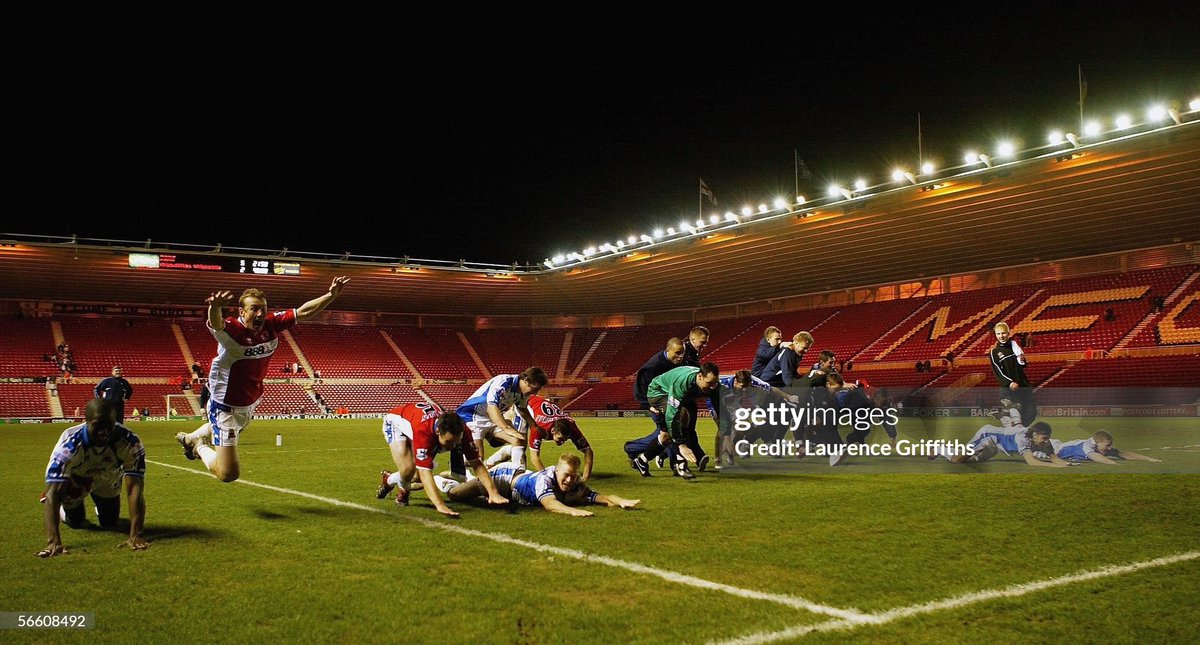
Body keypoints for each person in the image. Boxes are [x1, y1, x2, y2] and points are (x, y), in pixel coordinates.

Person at [175, 277, 350, 483]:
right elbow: (217, 323)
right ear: (242, 312)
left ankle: (190, 438)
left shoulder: (271, 325)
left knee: (237, 427)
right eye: (254, 309)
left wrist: (331, 295)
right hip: (226, 405)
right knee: (228, 473)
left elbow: (303, 311)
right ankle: (198, 447)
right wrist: (215, 307)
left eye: (263, 309)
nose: (260, 314)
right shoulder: (233, 330)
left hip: (250, 399)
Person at [37, 398, 148, 557]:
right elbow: (52, 493)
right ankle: (64, 508)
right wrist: (53, 542)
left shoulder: (130, 441)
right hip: (77, 480)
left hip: (107, 479)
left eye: (108, 425)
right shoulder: (69, 444)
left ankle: (100, 505)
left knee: (109, 522)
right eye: (97, 425)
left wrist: (136, 534)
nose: (104, 432)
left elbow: (135, 488)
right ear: (86, 421)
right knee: (77, 521)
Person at [375, 401, 507, 516]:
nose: (453, 446)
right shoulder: (424, 432)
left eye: (457, 442)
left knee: (415, 477)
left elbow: (477, 464)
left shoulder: (463, 430)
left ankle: (389, 479)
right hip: (396, 423)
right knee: (408, 470)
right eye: (449, 442)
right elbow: (425, 473)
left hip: (421, 422)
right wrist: (439, 504)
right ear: (438, 432)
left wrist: (493, 492)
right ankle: (402, 488)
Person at [442, 453, 638, 517]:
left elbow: (598, 496)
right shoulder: (545, 479)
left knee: (478, 497)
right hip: (503, 479)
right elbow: (550, 504)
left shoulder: (575, 483)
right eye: (566, 475)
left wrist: (620, 501)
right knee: (455, 496)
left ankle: (465, 476)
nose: (569, 481)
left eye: (573, 476)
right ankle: (442, 480)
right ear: (557, 471)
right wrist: (574, 511)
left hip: (519, 481)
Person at [630, 363, 721, 480]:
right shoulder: (683, 383)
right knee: (681, 417)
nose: (713, 386)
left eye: (715, 383)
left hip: (676, 394)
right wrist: (682, 445)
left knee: (666, 436)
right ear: (699, 377)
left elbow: (719, 406)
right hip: (658, 392)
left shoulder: (713, 385)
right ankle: (680, 463)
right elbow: (672, 415)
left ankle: (641, 461)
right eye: (709, 383)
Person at [454, 367, 547, 469]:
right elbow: (491, 407)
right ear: (525, 381)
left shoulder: (523, 392)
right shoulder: (504, 382)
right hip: (473, 417)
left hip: (493, 418)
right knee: (477, 459)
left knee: (518, 440)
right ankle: (458, 463)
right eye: (534, 389)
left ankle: (519, 476)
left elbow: (522, 408)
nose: (535, 393)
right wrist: (507, 428)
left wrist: (535, 426)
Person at [495, 394, 593, 480]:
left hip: (539, 403)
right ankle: (517, 476)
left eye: (565, 439)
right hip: (525, 405)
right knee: (520, 444)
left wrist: (585, 477)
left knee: (518, 447)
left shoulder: (572, 427)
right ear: (553, 431)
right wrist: (547, 479)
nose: (562, 442)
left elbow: (588, 451)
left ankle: (502, 457)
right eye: (560, 439)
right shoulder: (539, 427)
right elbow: (534, 458)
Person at [624, 338, 686, 470]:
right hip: (655, 404)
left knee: (666, 433)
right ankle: (675, 462)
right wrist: (648, 405)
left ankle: (633, 448)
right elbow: (639, 386)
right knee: (669, 431)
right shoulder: (654, 366)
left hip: (667, 402)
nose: (680, 356)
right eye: (677, 353)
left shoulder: (676, 362)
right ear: (668, 350)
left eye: (682, 353)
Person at [941, 412, 1068, 467]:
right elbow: (1032, 462)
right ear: (1035, 435)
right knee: (956, 460)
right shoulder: (1022, 438)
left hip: (996, 446)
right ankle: (940, 448)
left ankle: (943, 448)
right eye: (1044, 438)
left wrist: (1065, 464)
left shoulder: (1041, 438)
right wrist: (1056, 467)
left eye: (1047, 438)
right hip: (987, 436)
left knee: (972, 461)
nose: (1047, 441)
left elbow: (1054, 458)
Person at [989, 322, 1037, 426]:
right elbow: (997, 371)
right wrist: (1009, 383)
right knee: (1017, 418)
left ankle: (1004, 416)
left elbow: (1022, 365)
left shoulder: (1015, 348)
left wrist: (1023, 360)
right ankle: (1014, 432)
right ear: (996, 335)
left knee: (1031, 413)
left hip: (1023, 386)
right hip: (1009, 388)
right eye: (998, 334)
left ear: (1008, 333)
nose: (1001, 336)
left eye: (1003, 333)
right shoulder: (995, 352)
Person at [1039, 430, 1163, 464]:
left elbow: (1123, 454)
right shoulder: (1087, 447)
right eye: (1108, 445)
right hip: (1050, 449)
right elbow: (1098, 458)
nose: (1110, 448)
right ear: (1097, 443)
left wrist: (1150, 459)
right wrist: (1113, 464)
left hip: (1059, 445)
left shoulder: (1101, 447)